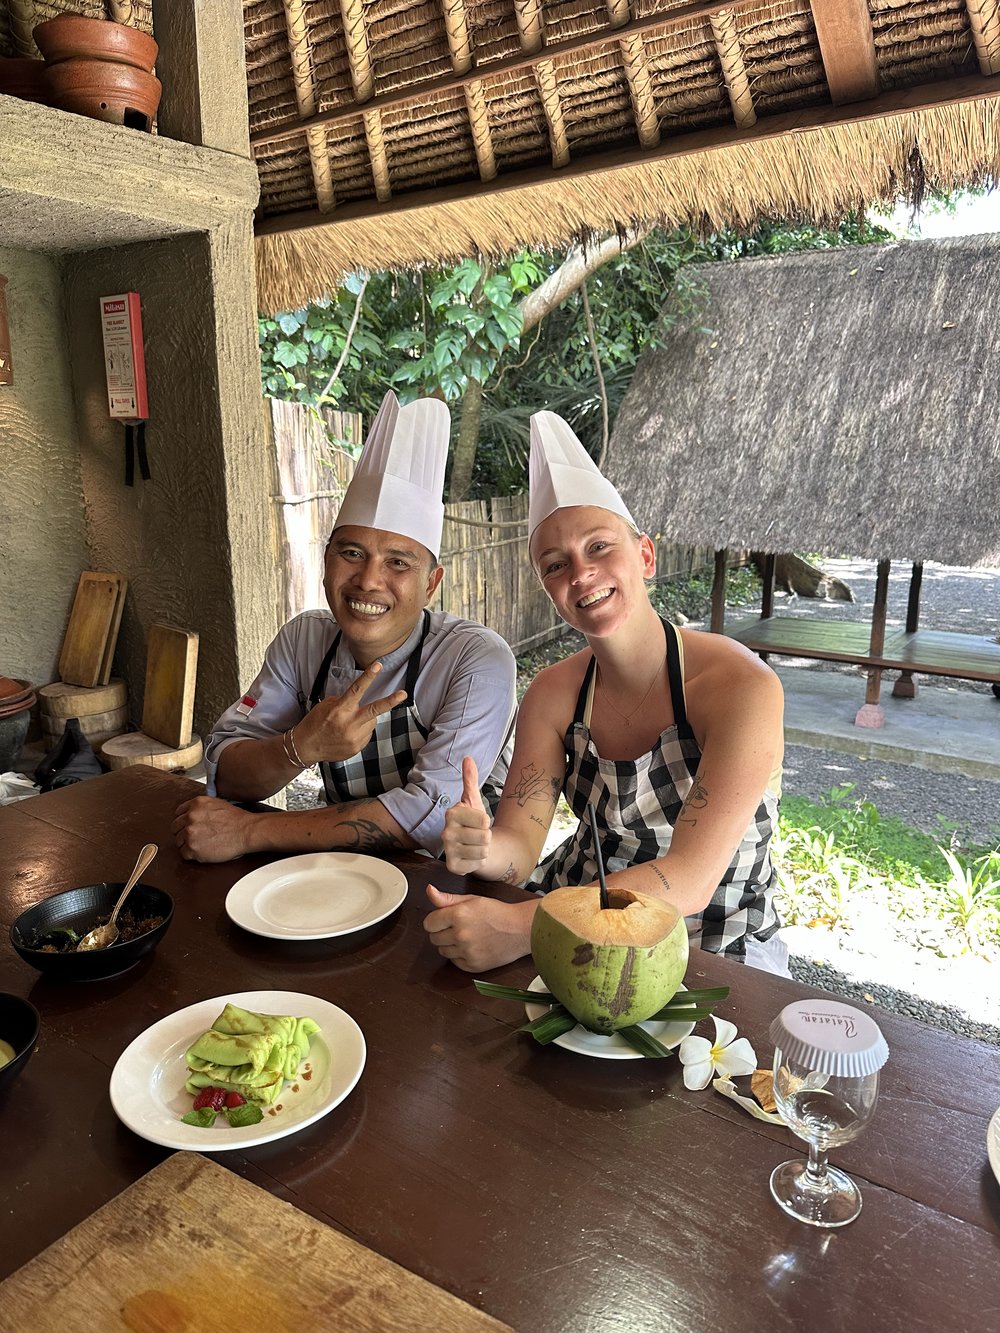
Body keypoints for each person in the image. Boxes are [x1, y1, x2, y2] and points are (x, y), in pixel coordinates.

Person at [423, 410, 788, 975]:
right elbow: (520, 850)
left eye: (599, 546)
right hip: (579, 908)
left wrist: (522, 926)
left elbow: (689, 880)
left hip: (716, 934)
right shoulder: (553, 695)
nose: (581, 573)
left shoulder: (740, 688)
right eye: (556, 564)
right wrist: (483, 848)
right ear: (548, 589)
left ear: (645, 555)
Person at [173, 391, 516, 862]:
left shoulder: (475, 658)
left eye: (397, 562)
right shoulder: (304, 641)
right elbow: (225, 767)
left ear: (431, 583)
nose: (369, 581)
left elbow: (431, 816)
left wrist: (253, 832)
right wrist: (300, 746)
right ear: (326, 561)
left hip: (452, 889)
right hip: (338, 874)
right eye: (352, 553)